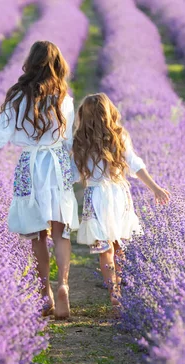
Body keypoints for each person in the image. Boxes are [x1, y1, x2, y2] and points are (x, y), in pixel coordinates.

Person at [0, 41, 78, 320]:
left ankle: (45, 293)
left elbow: (2, 128)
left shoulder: (18, 95)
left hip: (29, 164)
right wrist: (76, 168)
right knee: (61, 229)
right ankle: (63, 285)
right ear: (57, 64)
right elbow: (68, 141)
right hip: (56, 164)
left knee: (36, 232)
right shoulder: (63, 96)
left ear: (31, 62)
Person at [72, 93, 170, 310]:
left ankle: (113, 292)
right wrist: (155, 188)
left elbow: (71, 174)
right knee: (120, 247)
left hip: (96, 196)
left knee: (104, 249)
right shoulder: (119, 136)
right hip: (119, 195)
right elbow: (135, 164)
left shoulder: (80, 140)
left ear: (83, 116)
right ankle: (122, 290)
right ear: (110, 112)